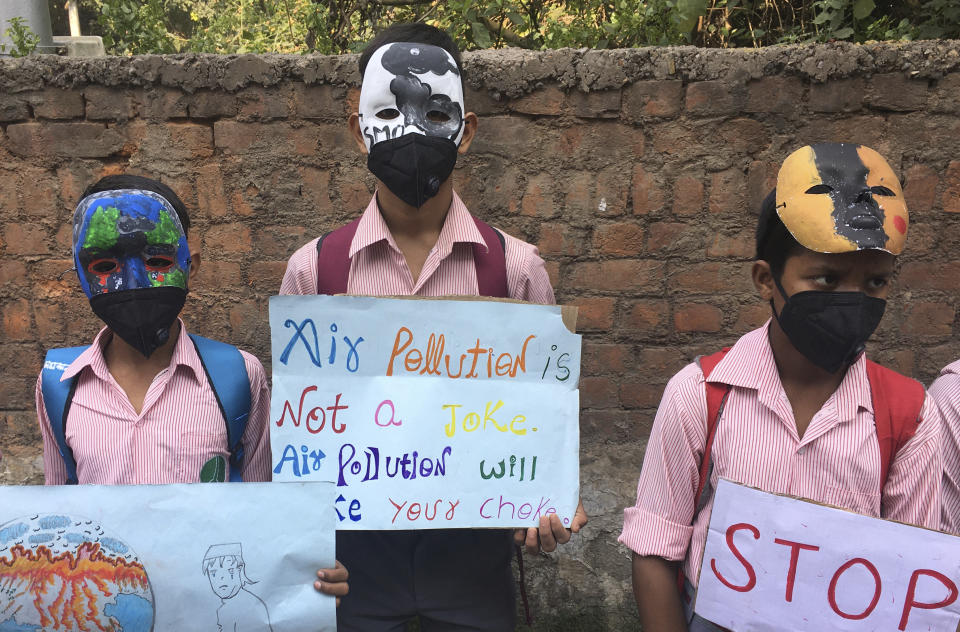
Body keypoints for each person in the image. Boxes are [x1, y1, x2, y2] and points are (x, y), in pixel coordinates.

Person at [280, 22, 586, 631]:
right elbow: (302, 435)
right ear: (356, 127)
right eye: (388, 110)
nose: (413, 129)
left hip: (475, 562)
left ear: (466, 130)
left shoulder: (518, 271)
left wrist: (549, 500)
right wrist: (302, 546)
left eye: (438, 111)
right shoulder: (313, 271)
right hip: (354, 568)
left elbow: (547, 421)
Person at [619, 143, 942, 631]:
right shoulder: (700, 394)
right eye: (826, 280)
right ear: (766, 280)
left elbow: (910, 583)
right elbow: (655, 552)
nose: (853, 301)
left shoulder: (911, 416)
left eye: (876, 283)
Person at [35, 174, 347, 603]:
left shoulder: (239, 375)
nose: (133, 281)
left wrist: (307, 569)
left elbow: (264, 512)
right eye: (106, 266)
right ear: (81, 273)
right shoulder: (58, 385)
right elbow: (59, 516)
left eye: (158, 261)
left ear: (190, 264)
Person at [203, 543, 273, 632]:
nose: (222, 578)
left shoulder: (241, 607)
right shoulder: (226, 608)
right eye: (213, 573)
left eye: (230, 571)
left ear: (240, 570)